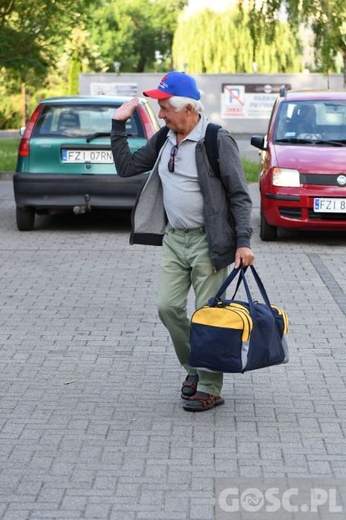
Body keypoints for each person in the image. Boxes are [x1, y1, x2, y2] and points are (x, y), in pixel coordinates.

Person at [111, 71, 255, 412]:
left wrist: (243, 242)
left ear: (188, 108)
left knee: (207, 317)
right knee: (168, 307)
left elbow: (239, 194)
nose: (161, 114)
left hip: (210, 242)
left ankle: (209, 386)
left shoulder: (217, 140)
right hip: (175, 239)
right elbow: (127, 167)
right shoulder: (164, 138)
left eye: (165, 108)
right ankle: (194, 367)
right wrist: (118, 126)